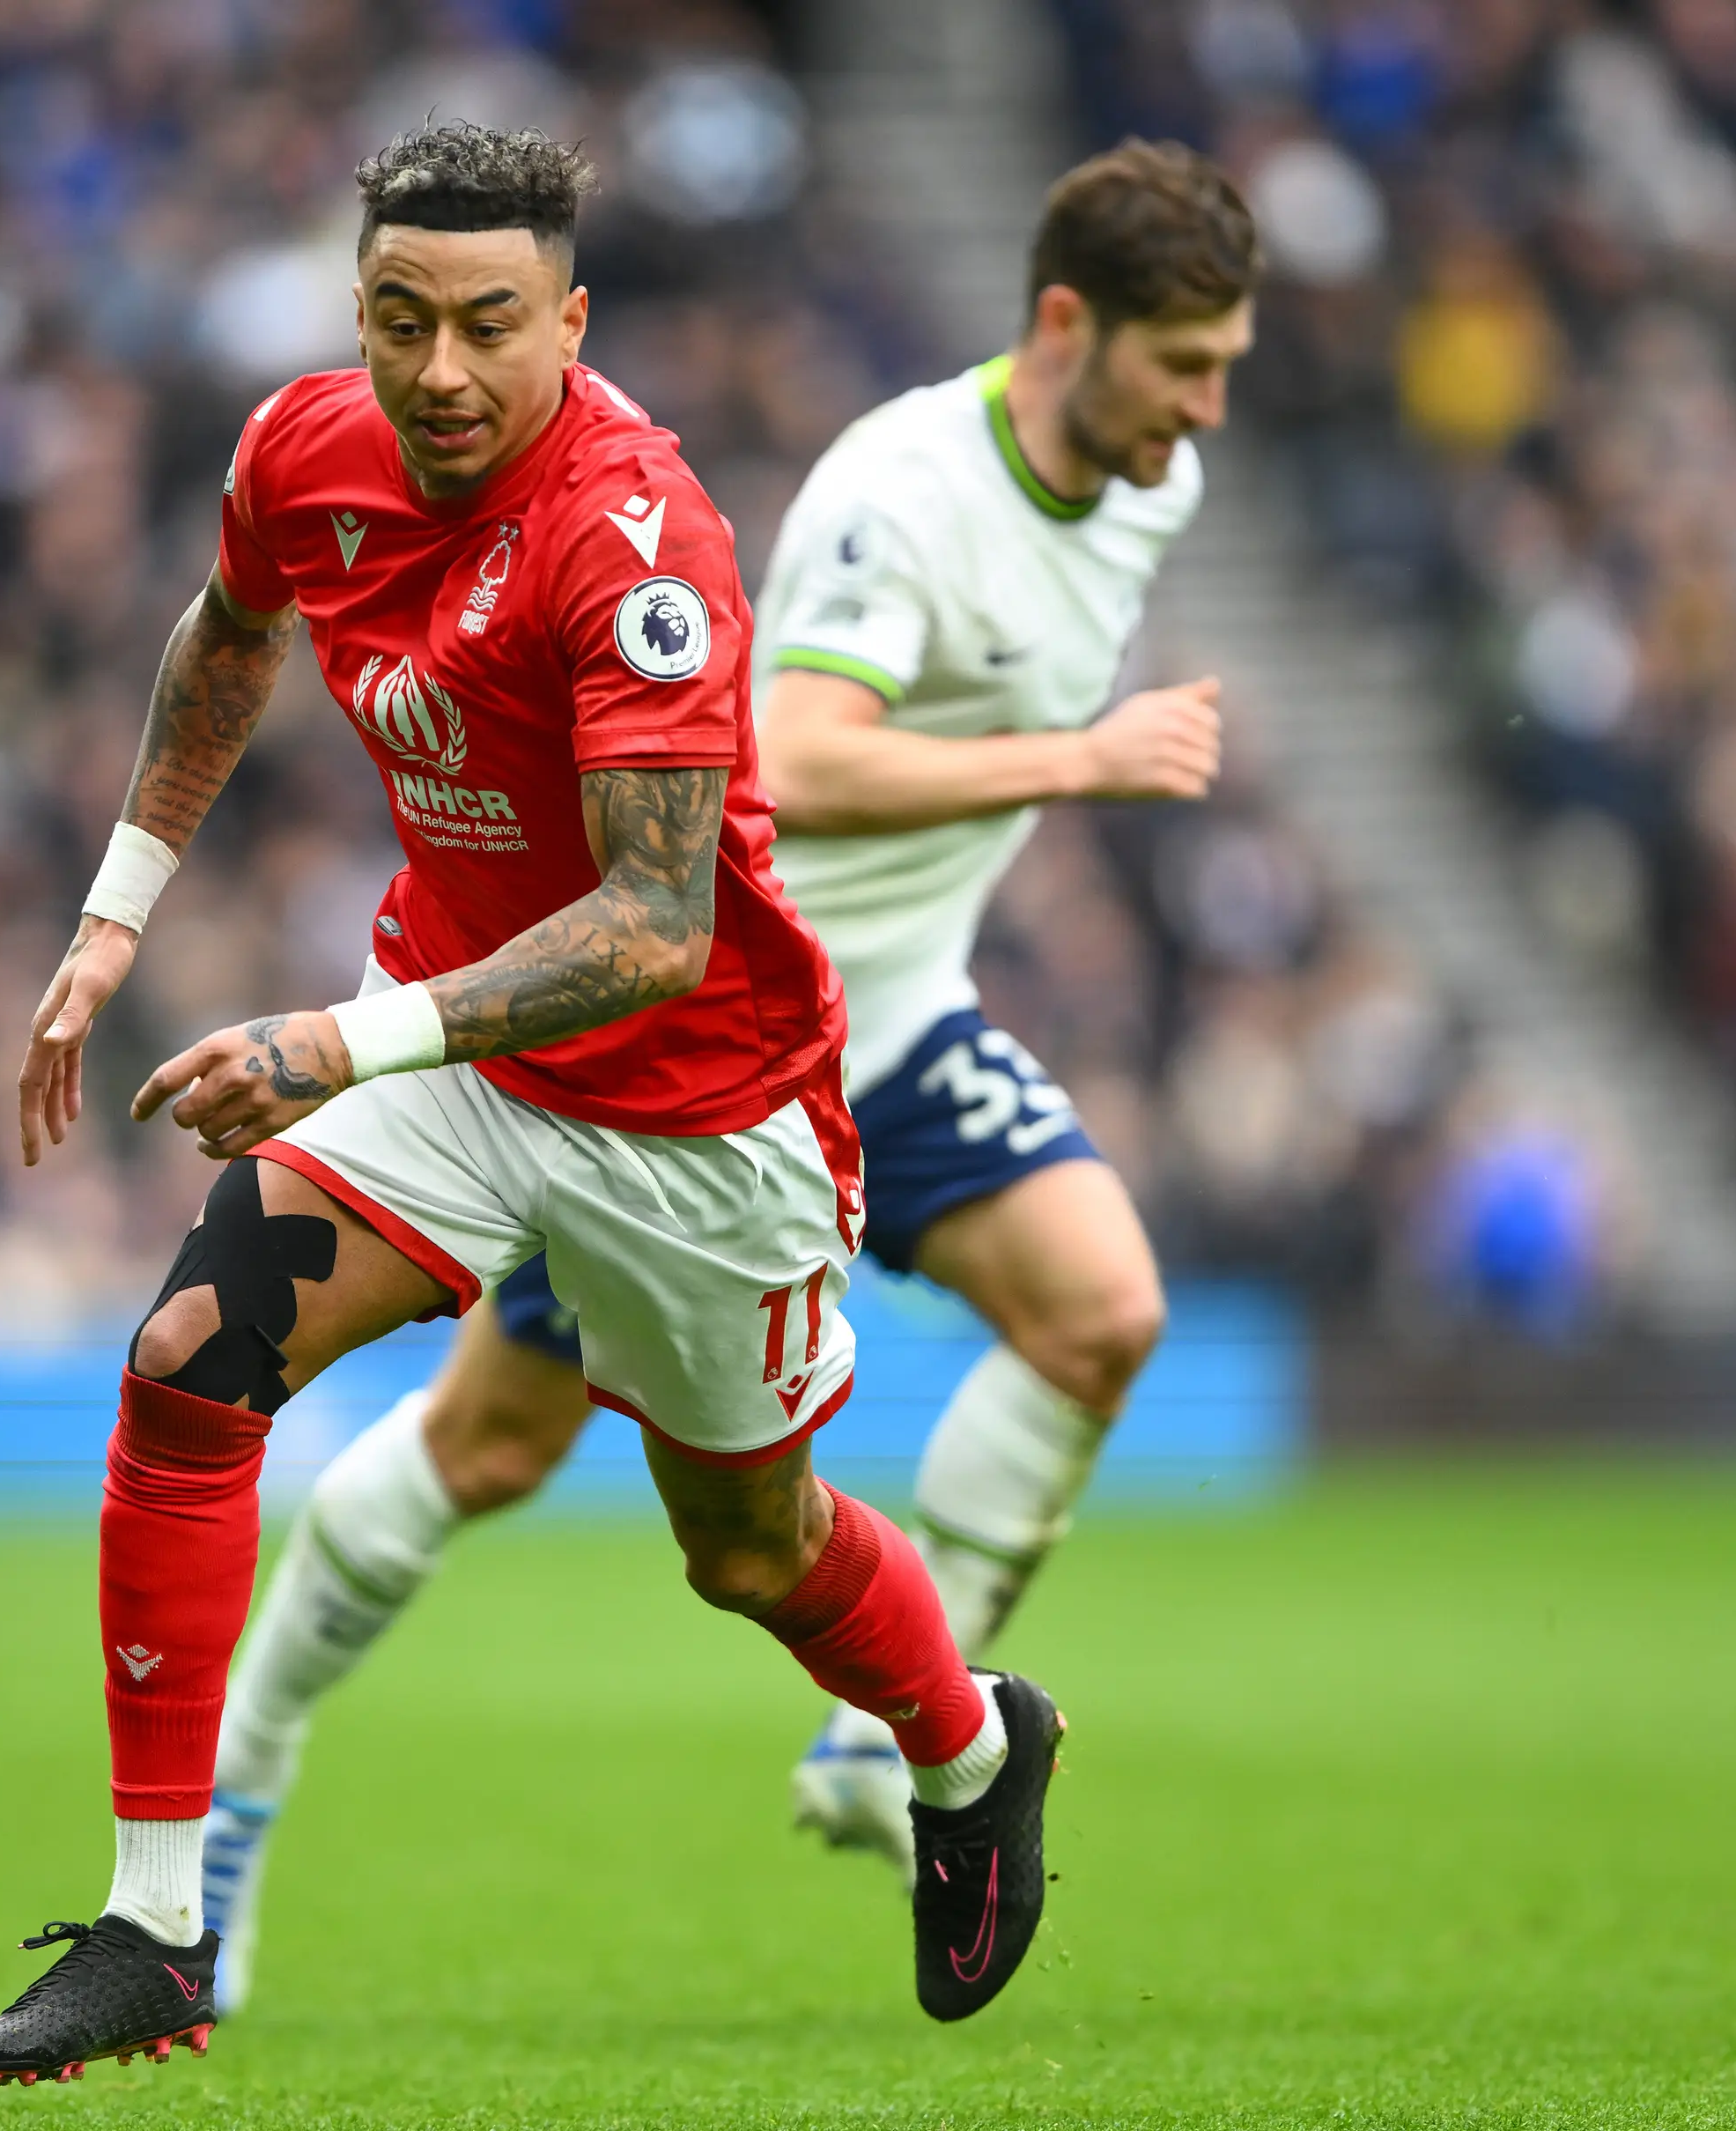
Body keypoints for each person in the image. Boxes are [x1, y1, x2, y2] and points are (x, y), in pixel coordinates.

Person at [0, 124, 1063, 2088]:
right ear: (358, 312)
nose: (442, 370)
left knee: (749, 1548)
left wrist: (337, 1043)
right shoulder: (304, 449)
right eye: (402, 320)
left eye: (489, 324)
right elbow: (226, 638)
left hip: (700, 1111)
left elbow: (653, 926)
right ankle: (156, 1925)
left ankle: (973, 1748)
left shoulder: (637, 542)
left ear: (572, 321)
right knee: (192, 1358)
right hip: (459, 1061)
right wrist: (121, 910)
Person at [198, 141, 1262, 2016]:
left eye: (1225, 367)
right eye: (1184, 365)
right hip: (698, 1058)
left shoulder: (1144, 485)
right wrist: (1078, 758)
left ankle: (891, 1745)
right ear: (1067, 324)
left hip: (896, 1018)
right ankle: (233, 1810)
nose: (1206, 410)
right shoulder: (907, 493)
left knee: (1102, 1311)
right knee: (493, 1444)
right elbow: (803, 756)